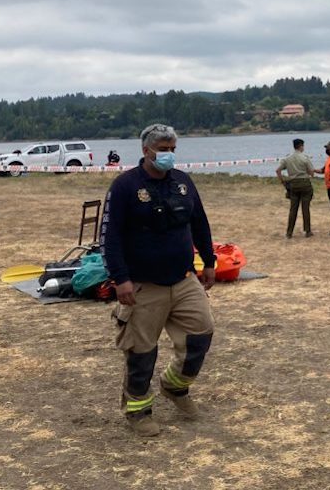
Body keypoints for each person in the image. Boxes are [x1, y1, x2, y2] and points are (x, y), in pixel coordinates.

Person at [101, 124, 217, 438]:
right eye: (162, 149)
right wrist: (120, 278)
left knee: (201, 334)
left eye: (172, 149)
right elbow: (109, 238)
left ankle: (175, 387)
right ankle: (138, 410)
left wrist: (209, 261)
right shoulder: (125, 186)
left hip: (183, 279)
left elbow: (200, 223)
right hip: (141, 285)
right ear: (146, 150)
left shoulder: (183, 182)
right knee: (141, 351)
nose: (168, 155)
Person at [275, 138, 315, 238]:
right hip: (305, 184)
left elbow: (278, 170)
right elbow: (311, 172)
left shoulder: (287, 158)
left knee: (293, 209)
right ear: (301, 146)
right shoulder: (305, 158)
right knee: (305, 209)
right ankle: (307, 231)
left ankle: (289, 232)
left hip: (293, 185)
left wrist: (283, 181)